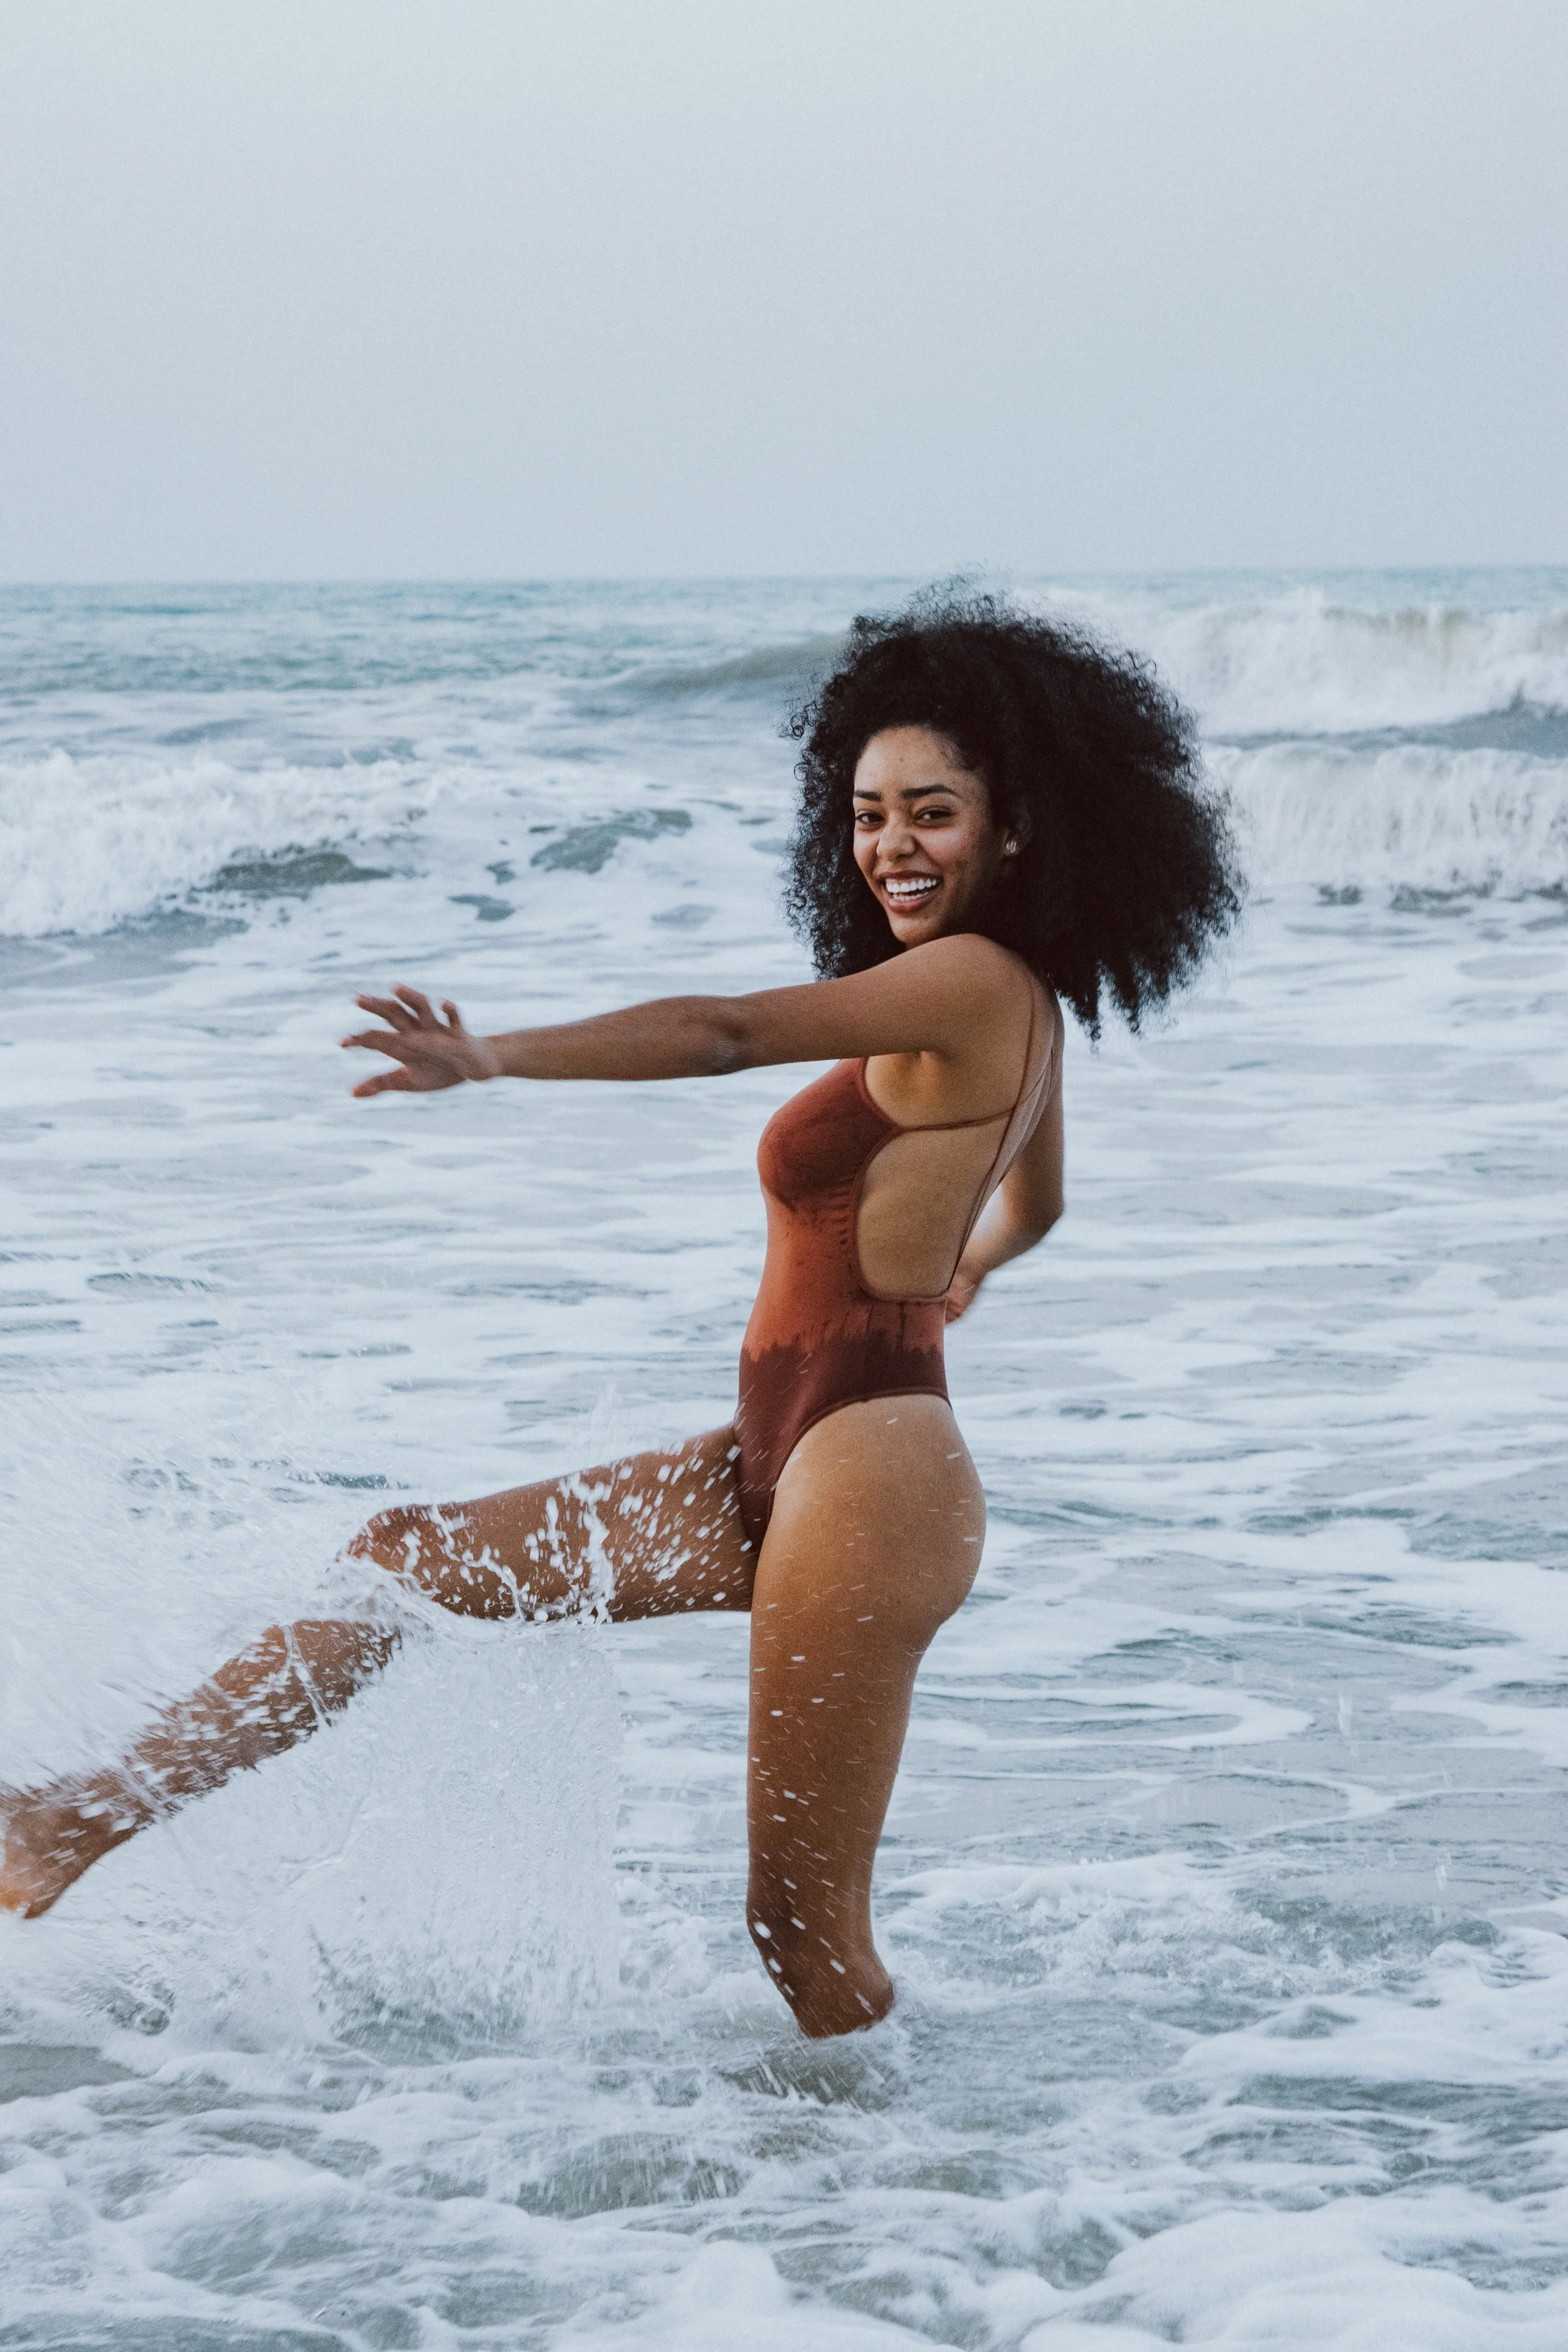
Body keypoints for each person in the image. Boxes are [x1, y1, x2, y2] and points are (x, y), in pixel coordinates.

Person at [0, 591, 1238, 2038]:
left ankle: (905, 2208)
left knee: (796, 1930)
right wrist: (962, 1268)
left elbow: (725, 1031)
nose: (890, 846)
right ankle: (75, 1820)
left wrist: (495, 1056)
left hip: (869, 1477)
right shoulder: (1006, 1003)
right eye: (865, 814)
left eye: (933, 814)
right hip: (785, 1454)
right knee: (402, 1561)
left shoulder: (961, 982)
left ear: (1015, 828)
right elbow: (1039, 1203)